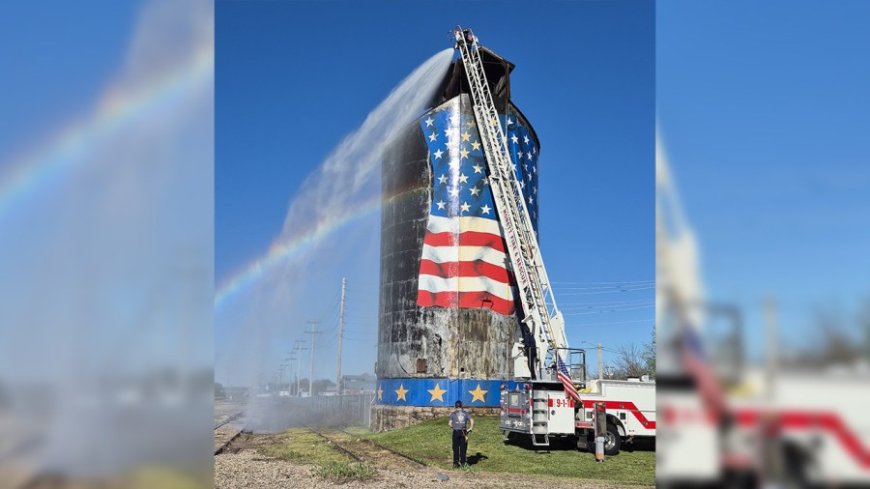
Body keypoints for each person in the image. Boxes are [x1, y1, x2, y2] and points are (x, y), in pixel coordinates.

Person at [448, 400, 474, 468]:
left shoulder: (453, 414)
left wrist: (454, 426)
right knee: (463, 448)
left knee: (455, 448)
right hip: (464, 432)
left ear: (455, 406)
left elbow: (449, 424)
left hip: (456, 432)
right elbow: (471, 420)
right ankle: (463, 463)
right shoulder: (465, 413)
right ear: (461, 406)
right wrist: (471, 427)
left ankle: (456, 464)